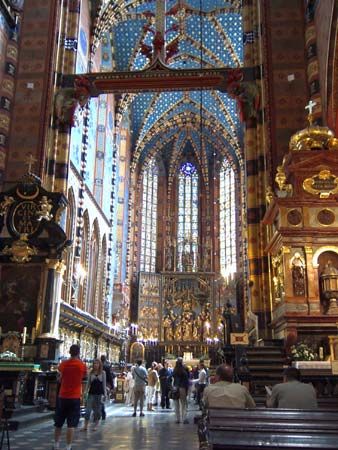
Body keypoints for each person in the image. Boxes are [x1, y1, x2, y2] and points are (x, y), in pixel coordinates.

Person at [53, 344, 87, 450]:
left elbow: (59, 378)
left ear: (69, 352)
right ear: (79, 353)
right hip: (75, 397)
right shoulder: (82, 365)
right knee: (71, 424)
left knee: (58, 423)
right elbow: (84, 378)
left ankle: (56, 444)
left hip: (62, 396)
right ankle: (68, 447)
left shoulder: (63, 364)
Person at [81, 359, 107, 432]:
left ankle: (96, 425)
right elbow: (88, 383)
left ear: (99, 365)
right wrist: (85, 392)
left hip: (99, 394)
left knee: (97, 410)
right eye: (94, 363)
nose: (96, 365)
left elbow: (104, 385)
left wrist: (105, 394)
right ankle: (85, 426)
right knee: (88, 410)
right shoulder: (90, 373)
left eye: (97, 364)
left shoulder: (103, 373)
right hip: (91, 393)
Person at [172, 357, 190, 424]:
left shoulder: (175, 370)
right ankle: (184, 418)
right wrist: (187, 389)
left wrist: (172, 387)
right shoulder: (185, 369)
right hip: (182, 388)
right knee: (184, 404)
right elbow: (187, 380)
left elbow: (171, 378)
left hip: (175, 388)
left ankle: (177, 419)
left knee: (176, 405)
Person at [100, 355, 112, 420]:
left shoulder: (103, 366)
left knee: (99, 398)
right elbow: (110, 377)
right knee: (101, 399)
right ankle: (102, 413)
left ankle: (100, 412)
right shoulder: (107, 366)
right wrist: (112, 386)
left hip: (100, 384)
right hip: (105, 384)